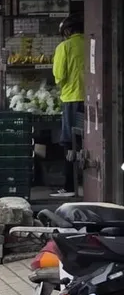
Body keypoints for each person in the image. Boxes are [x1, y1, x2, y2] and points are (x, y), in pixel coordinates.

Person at [52, 14, 86, 198]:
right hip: (89, 100)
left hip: (71, 98)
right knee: (86, 141)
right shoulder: (89, 43)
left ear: (67, 31)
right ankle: (85, 182)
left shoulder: (64, 47)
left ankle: (69, 185)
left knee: (70, 142)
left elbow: (59, 75)